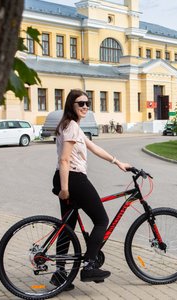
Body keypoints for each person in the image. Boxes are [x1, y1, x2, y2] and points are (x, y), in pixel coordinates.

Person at [51, 89, 131, 289]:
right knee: (101, 220)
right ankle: (89, 266)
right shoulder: (71, 127)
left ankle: (60, 273)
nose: (85, 107)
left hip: (67, 177)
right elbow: (64, 159)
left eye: (88, 103)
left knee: (67, 227)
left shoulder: (71, 126)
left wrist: (117, 162)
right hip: (74, 178)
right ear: (72, 105)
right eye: (81, 103)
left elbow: (94, 148)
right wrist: (65, 188)